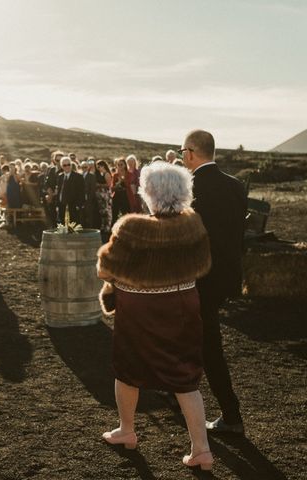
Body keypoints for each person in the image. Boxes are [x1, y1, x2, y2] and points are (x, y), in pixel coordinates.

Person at [97, 161, 214, 470]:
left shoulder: (132, 227)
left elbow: (105, 268)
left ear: (148, 192)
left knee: (128, 368)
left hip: (139, 310)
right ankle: (201, 449)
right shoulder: (193, 224)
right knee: (185, 374)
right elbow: (202, 265)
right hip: (182, 305)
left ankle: (127, 430)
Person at [180, 129, 247, 434]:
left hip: (199, 279)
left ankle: (231, 416)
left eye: (183, 152)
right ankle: (178, 396)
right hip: (227, 276)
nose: (183, 157)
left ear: (191, 152)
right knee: (198, 340)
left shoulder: (190, 188)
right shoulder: (235, 186)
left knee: (209, 347)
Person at [55, 156, 85, 225]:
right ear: (62, 166)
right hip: (62, 205)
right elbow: (59, 191)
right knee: (62, 224)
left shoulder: (78, 177)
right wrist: (57, 204)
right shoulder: (60, 176)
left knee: (74, 225)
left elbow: (81, 192)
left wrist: (79, 205)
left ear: (71, 165)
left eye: (68, 164)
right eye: (65, 165)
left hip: (74, 206)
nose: (67, 167)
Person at [95, 160, 113, 242]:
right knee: (102, 211)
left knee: (107, 211)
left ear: (103, 166)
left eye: (99, 167)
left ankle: (107, 228)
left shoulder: (106, 174)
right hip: (100, 196)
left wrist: (99, 185)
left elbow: (109, 185)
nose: (98, 168)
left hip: (105, 195)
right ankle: (103, 227)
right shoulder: (100, 174)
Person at [111, 158, 131, 225]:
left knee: (126, 214)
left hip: (126, 196)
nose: (119, 166)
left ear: (125, 165)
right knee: (114, 214)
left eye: (121, 164)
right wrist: (117, 184)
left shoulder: (128, 174)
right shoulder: (115, 175)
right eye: (118, 165)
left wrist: (123, 181)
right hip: (117, 196)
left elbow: (129, 185)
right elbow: (112, 188)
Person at [82, 158, 98, 228]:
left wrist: (89, 199)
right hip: (81, 199)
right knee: (82, 216)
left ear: (88, 167)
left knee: (90, 215)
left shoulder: (91, 176)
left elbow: (92, 189)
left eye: (85, 167)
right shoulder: (79, 175)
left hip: (89, 199)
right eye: (82, 167)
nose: (84, 169)